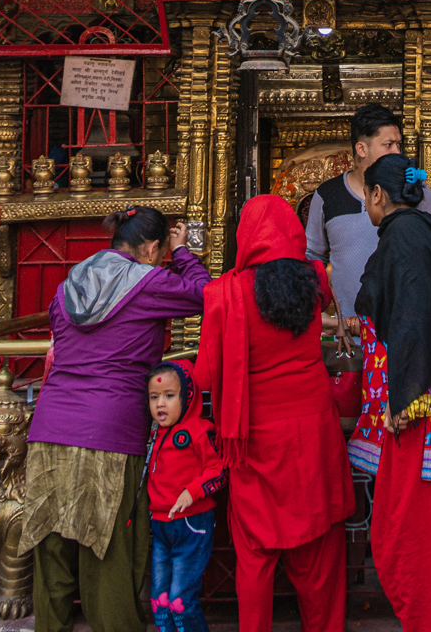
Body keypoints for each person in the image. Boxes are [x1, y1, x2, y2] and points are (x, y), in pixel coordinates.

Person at [22, 207, 211, 632]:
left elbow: (59, 333)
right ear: (150, 248)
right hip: (109, 428)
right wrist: (182, 255)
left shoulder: (70, 282)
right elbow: (205, 295)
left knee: (50, 544)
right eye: (161, 250)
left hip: (50, 424)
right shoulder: (149, 280)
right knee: (104, 544)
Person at [195, 193, 353, 632]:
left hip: (256, 438)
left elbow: (206, 376)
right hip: (313, 432)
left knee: (255, 555)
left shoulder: (224, 293)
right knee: (319, 550)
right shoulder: (314, 279)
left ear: (245, 236)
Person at [351, 155, 431, 632]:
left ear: (379, 195)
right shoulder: (420, 232)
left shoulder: (403, 237)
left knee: (405, 539)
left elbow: (414, 318)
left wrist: (405, 398)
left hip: (416, 410)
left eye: (367, 194)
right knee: (404, 535)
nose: (366, 204)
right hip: (419, 402)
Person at [306, 103, 431, 320]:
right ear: (361, 149)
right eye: (388, 145)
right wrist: (320, 312)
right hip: (347, 336)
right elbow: (312, 257)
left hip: (404, 331)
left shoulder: (415, 190)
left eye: (398, 145)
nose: (397, 153)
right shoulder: (328, 195)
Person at [144, 358, 226, 632]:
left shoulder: (199, 431)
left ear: (187, 396)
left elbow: (219, 468)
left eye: (169, 396)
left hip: (191, 524)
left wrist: (192, 492)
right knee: (160, 600)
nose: (160, 404)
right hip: (160, 525)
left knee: (180, 600)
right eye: (154, 397)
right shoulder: (154, 434)